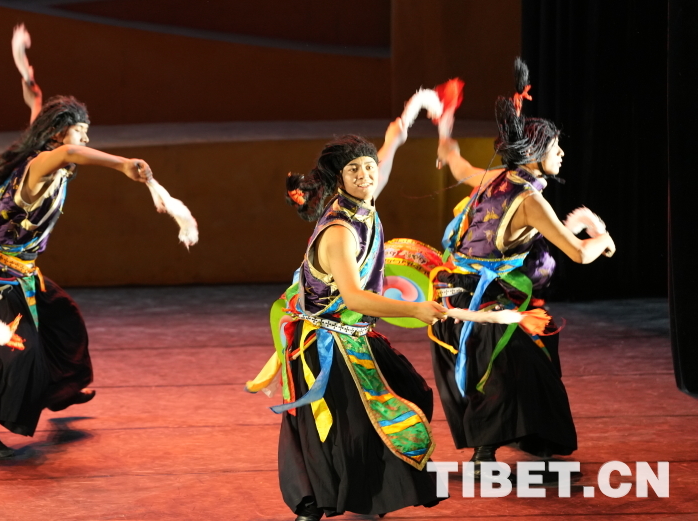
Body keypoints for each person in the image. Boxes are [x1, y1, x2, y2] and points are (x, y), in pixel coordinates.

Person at [0, 78, 154, 458]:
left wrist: (34, 100)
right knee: (6, 355)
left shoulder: (46, 159)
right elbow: (68, 153)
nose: (85, 139)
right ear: (60, 133)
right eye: (80, 130)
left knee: (62, 320)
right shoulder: (43, 165)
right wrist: (123, 164)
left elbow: (52, 140)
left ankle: (60, 389)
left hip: (23, 272)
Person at [248, 122, 446, 521]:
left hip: (354, 332)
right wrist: (415, 309)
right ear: (339, 179)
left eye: (368, 167)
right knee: (337, 428)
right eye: (354, 169)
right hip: (327, 343)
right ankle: (315, 505)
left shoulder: (362, 203)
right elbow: (354, 297)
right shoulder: (340, 231)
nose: (366, 175)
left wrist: (394, 139)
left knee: (409, 391)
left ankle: (369, 496)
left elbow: (377, 171)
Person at [430, 58, 616, 474]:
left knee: (529, 352)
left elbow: (455, 162)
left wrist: (445, 131)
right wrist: (604, 239)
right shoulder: (531, 200)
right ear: (533, 154)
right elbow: (578, 253)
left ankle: (521, 443)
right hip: (481, 307)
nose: (562, 153)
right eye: (555, 147)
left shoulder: (494, 177)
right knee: (518, 362)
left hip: (456, 297)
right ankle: (492, 451)